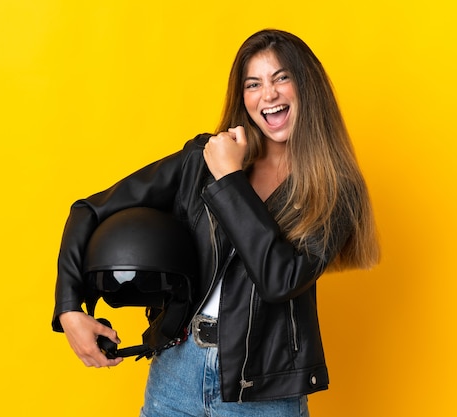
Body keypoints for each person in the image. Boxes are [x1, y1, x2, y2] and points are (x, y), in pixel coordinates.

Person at [52, 29, 380, 417]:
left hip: (263, 394)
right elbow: (90, 209)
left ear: (307, 86)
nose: (268, 94)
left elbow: (280, 279)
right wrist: (70, 309)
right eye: (253, 84)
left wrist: (229, 179)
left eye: (281, 78)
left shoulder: (336, 189)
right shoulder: (202, 158)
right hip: (176, 375)